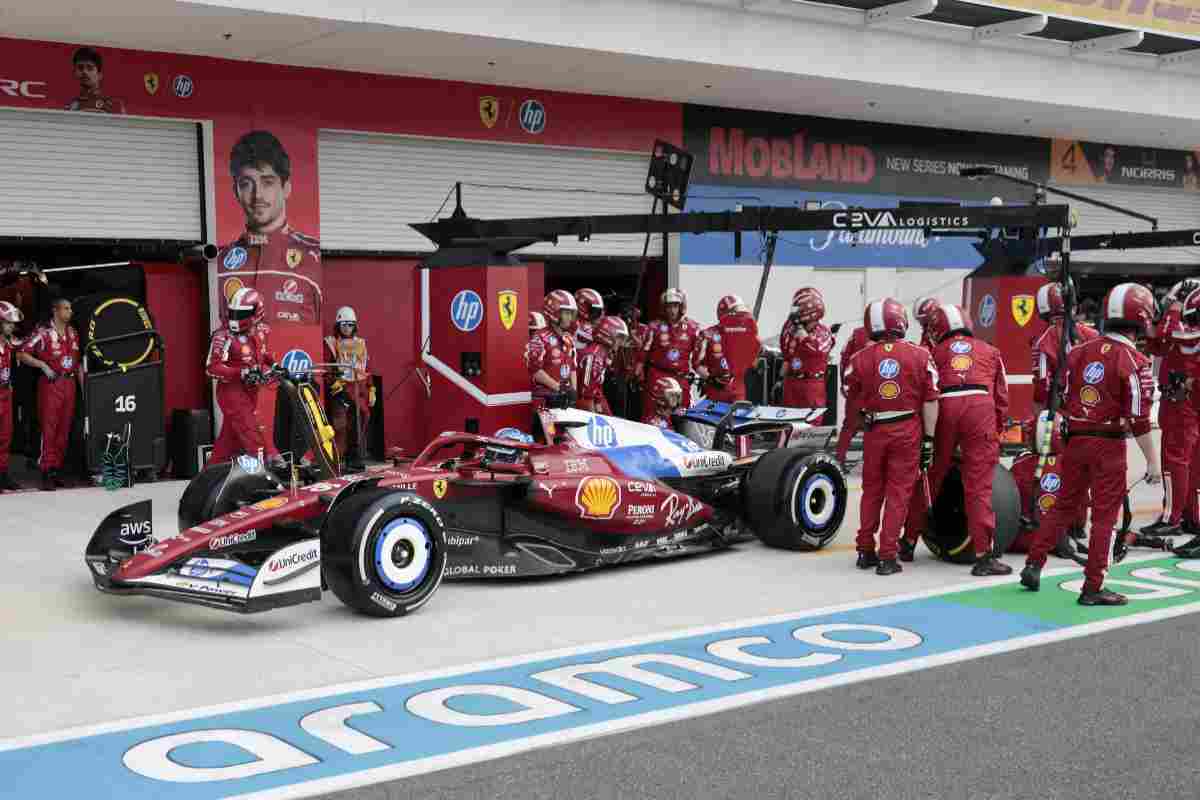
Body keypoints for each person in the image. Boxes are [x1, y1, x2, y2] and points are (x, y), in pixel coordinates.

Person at [1020, 283, 1161, 605]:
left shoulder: (1079, 352)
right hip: (1109, 445)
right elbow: (1139, 418)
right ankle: (1093, 586)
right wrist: (1153, 463)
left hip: (1075, 440)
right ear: (1140, 317)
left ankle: (1033, 563)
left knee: (1062, 506)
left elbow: (1061, 396)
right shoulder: (1135, 360)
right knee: (1103, 518)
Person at [901, 304, 1011, 575]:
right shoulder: (991, 350)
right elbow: (1002, 398)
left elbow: (922, 395)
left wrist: (925, 436)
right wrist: (995, 434)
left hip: (943, 408)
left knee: (929, 477)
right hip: (980, 407)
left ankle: (908, 541)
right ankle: (984, 557)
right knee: (979, 486)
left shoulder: (930, 353)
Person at [843, 298, 939, 575]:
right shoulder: (920, 355)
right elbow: (931, 400)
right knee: (899, 492)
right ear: (901, 321)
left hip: (875, 430)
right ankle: (888, 556)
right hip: (907, 429)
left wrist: (865, 419)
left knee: (872, 490)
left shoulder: (859, 358)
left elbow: (851, 395)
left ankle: (865, 550)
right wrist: (929, 440)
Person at [216, 131, 322, 327]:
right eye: (247, 184)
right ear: (236, 191)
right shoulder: (220, 263)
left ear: (286, 188)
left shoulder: (315, 257)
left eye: (268, 182)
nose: (258, 195)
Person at [1142, 280, 1200, 538]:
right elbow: (1156, 343)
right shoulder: (1185, 334)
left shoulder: (1189, 333)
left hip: (1182, 404)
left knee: (1175, 460)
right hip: (1181, 403)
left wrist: (1173, 308)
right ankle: (1190, 515)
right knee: (1189, 462)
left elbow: (1167, 336)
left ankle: (1172, 517)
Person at [206, 288, 284, 468]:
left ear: (257, 312)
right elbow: (211, 368)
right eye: (233, 312)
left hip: (251, 391)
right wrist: (240, 373)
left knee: (228, 443)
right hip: (231, 392)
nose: (235, 317)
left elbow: (263, 354)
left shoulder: (261, 331)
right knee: (252, 433)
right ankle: (263, 474)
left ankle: (207, 476)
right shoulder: (223, 336)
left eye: (241, 313)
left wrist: (275, 366)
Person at [18, 298, 80, 490]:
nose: (70, 312)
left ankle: (56, 470)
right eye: (66, 308)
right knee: (49, 428)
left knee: (64, 429)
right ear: (55, 310)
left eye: (70, 309)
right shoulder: (43, 332)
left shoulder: (73, 333)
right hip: (51, 384)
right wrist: (43, 365)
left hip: (69, 383)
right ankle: (45, 471)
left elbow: (78, 363)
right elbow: (22, 353)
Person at [1031, 282, 1100, 417]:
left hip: (1062, 412)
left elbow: (1042, 384)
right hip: (1095, 409)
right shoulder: (1094, 335)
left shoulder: (1042, 341)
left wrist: (1040, 418)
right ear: (1073, 305)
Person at [637, 288, 701, 417]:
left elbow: (699, 357)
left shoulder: (693, 328)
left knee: (685, 416)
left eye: (675, 306)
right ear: (664, 308)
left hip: (681, 379)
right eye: (669, 306)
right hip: (657, 377)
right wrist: (638, 372)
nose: (672, 310)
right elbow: (643, 353)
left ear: (681, 306)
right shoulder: (654, 327)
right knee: (654, 416)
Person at [324, 306, 373, 472]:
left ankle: (355, 456)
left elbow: (366, 367)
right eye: (343, 324)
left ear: (355, 326)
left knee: (361, 419)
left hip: (358, 389)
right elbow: (328, 368)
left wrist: (371, 387)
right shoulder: (331, 343)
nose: (347, 328)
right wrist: (334, 383)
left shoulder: (361, 343)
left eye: (350, 324)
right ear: (338, 325)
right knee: (341, 425)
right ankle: (337, 459)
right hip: (341, 389)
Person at [696, 294, 761, 404]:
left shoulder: (750, 337)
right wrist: (710, 378)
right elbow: (697, 363)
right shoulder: (708, 334)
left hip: (738, 390)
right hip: (717, 390)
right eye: (736, 311)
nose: (740, 315)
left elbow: (753, 362)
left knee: (737, 420)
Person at [779, 288, 833, 410]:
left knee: (810, 427)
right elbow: (786, 353)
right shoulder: (789, 327)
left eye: (798, 310)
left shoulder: (824, 332)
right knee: (788, 425)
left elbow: (815, 350)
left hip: (812, 386)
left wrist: (801, 332)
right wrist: (780, 379)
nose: (794, 314)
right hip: (791, 384)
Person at [527, 290, 578, 411]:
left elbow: (573, 368)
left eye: (571, 314)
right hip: (544, 402)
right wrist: (559, 388)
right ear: (554, 312)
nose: (570, 318)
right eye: (566, 313)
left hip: (564, 399)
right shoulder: (539, 337)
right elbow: (535, 370)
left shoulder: (569, 339)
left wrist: (573, 392)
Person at [833, 323, 872, 464]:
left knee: (849, 427)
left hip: (856, 388)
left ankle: (839, 459)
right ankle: (869, 460)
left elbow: (844, 358)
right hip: (875, 389)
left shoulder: (857, 334)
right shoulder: (891, 335)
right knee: (873, 426)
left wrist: (844, 383)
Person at [577, 316, 629, 414]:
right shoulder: (594, 357)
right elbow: (585, 395)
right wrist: (596, 417)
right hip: (581, 403)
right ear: (607, 334)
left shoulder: (602, 354)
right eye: (619, 338)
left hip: (591, 398)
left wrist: (599, 404)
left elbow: (596, 386)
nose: (621, 342)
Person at [0, 302, 23, 491]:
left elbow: (24, 343)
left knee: (6, 436)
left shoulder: (10, 342)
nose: (12, 326)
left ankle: (3, 474)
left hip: (6, 393)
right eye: (8, 323)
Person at [65, 47, 126, 114]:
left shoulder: (114, 106)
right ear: (75, 73)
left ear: (99, 75)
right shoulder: (69, 107)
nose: (84, 72)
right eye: (80, 68)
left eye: (90, 68)